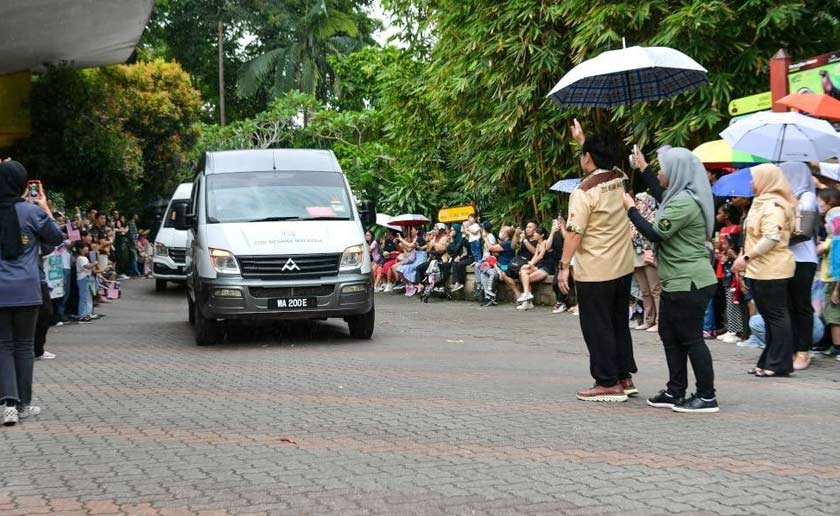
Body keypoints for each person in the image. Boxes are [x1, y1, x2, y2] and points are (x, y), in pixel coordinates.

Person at [624, 147, 720, 413]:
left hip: (689, 281)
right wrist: (643, 167)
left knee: (691, 339)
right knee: (669, 334)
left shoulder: (684, 203)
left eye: (663, 168)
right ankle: (675, 391)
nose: (660, 173)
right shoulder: (677, 197)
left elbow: (655, 233)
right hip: (676, 281)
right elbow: (660, 192)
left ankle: (707, 396)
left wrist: (631, 209)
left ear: (677, 172)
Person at [559, 120, 636, 403]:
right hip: (623, 266)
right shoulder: (618, 179)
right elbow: (603, 161)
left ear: (587, 158)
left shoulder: (583, 192)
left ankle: (607, 382)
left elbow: (574, 232)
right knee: (618, 323)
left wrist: (564, 266)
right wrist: (584, 142)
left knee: (597, 326)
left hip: (595, 270)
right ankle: (624, 377)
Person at [0, 160, 64, 426]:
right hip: (27, 289)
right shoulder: (31, 212)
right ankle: (23, 404)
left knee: (3, 346)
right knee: (25, 346)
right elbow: (57, 237)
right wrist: (44, 206)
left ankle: (8, 404)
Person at [731, 164, 796, 377]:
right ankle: (768, 360)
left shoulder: (774, 205)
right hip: (758, 268)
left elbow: (771, 237)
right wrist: (744, 259)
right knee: (769, 317)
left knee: (776, 315)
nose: (751, 183)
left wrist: (746, 258)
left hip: (773, 269)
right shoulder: (760, 203)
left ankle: (779, 364)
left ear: (766, 180)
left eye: (755, 178)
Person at [780, 162, 819, 371]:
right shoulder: (782, 198)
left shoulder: (807, 197)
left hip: (803, 259)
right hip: (784, 258)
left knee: (801, 306)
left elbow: (803, 231)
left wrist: (774, 239)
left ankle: (803, 351)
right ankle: (791, 348)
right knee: (787, 305)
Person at [629, 192, 661, 332]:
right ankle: (649, 320)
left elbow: (652, 235)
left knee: (655, 289)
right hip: (636, 256)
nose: (637, 204)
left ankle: (660, 321)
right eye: (636, 201)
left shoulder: (654, 216)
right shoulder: (634, 218)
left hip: (649, 254)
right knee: (645, 290)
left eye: (640, 201)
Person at [817, 188, 840, 359]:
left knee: (833, 314)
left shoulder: (836, 238)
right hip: (832, 277)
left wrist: (837, 289)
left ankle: (838, 348)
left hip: (834, 278)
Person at [516, 226, 555, 311]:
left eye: (536, 233)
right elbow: (535, 256)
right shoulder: (538, 244)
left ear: (542, 235)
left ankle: (528, 300)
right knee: (523, 271)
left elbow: (541, 256)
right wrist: (529, 264)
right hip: (540, 266)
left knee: (525, 279)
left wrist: (531, 264)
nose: (533, 234)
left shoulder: (545, 242)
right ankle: (527, 296)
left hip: (547, 267)